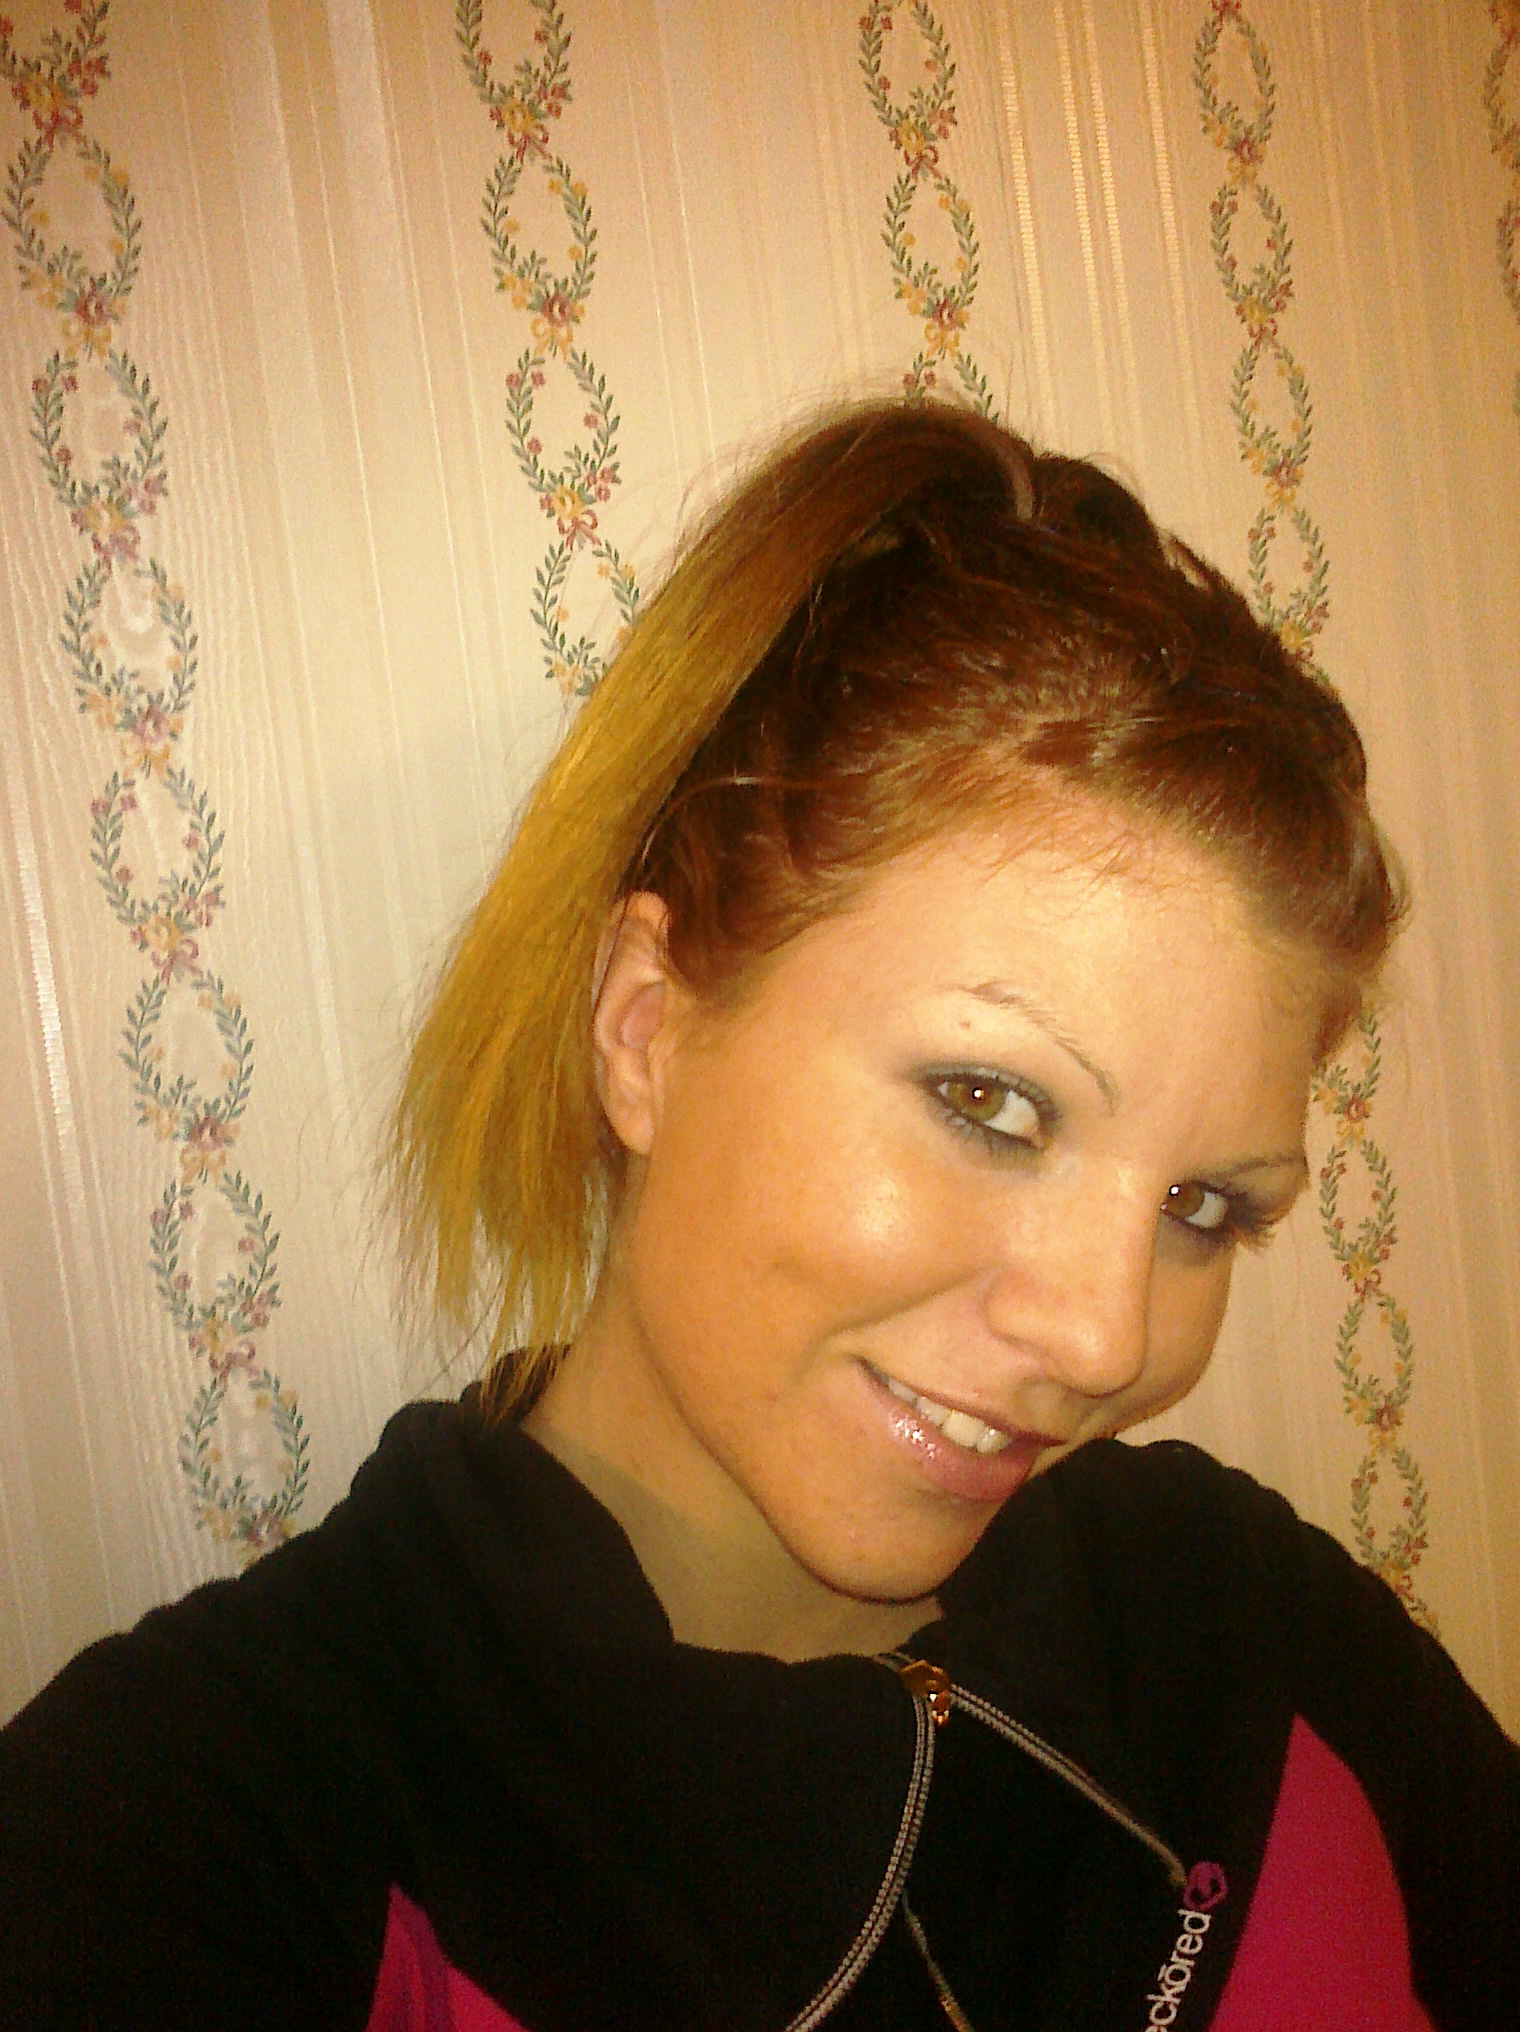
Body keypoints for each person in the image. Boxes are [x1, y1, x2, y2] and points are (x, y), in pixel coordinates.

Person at [1, 400, 1516, 2030]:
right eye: (990, 1103)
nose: (1106, 1337)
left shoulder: (1247, 1626)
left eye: (1205, 1205)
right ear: (647, 1029)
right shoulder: (186, 1828)